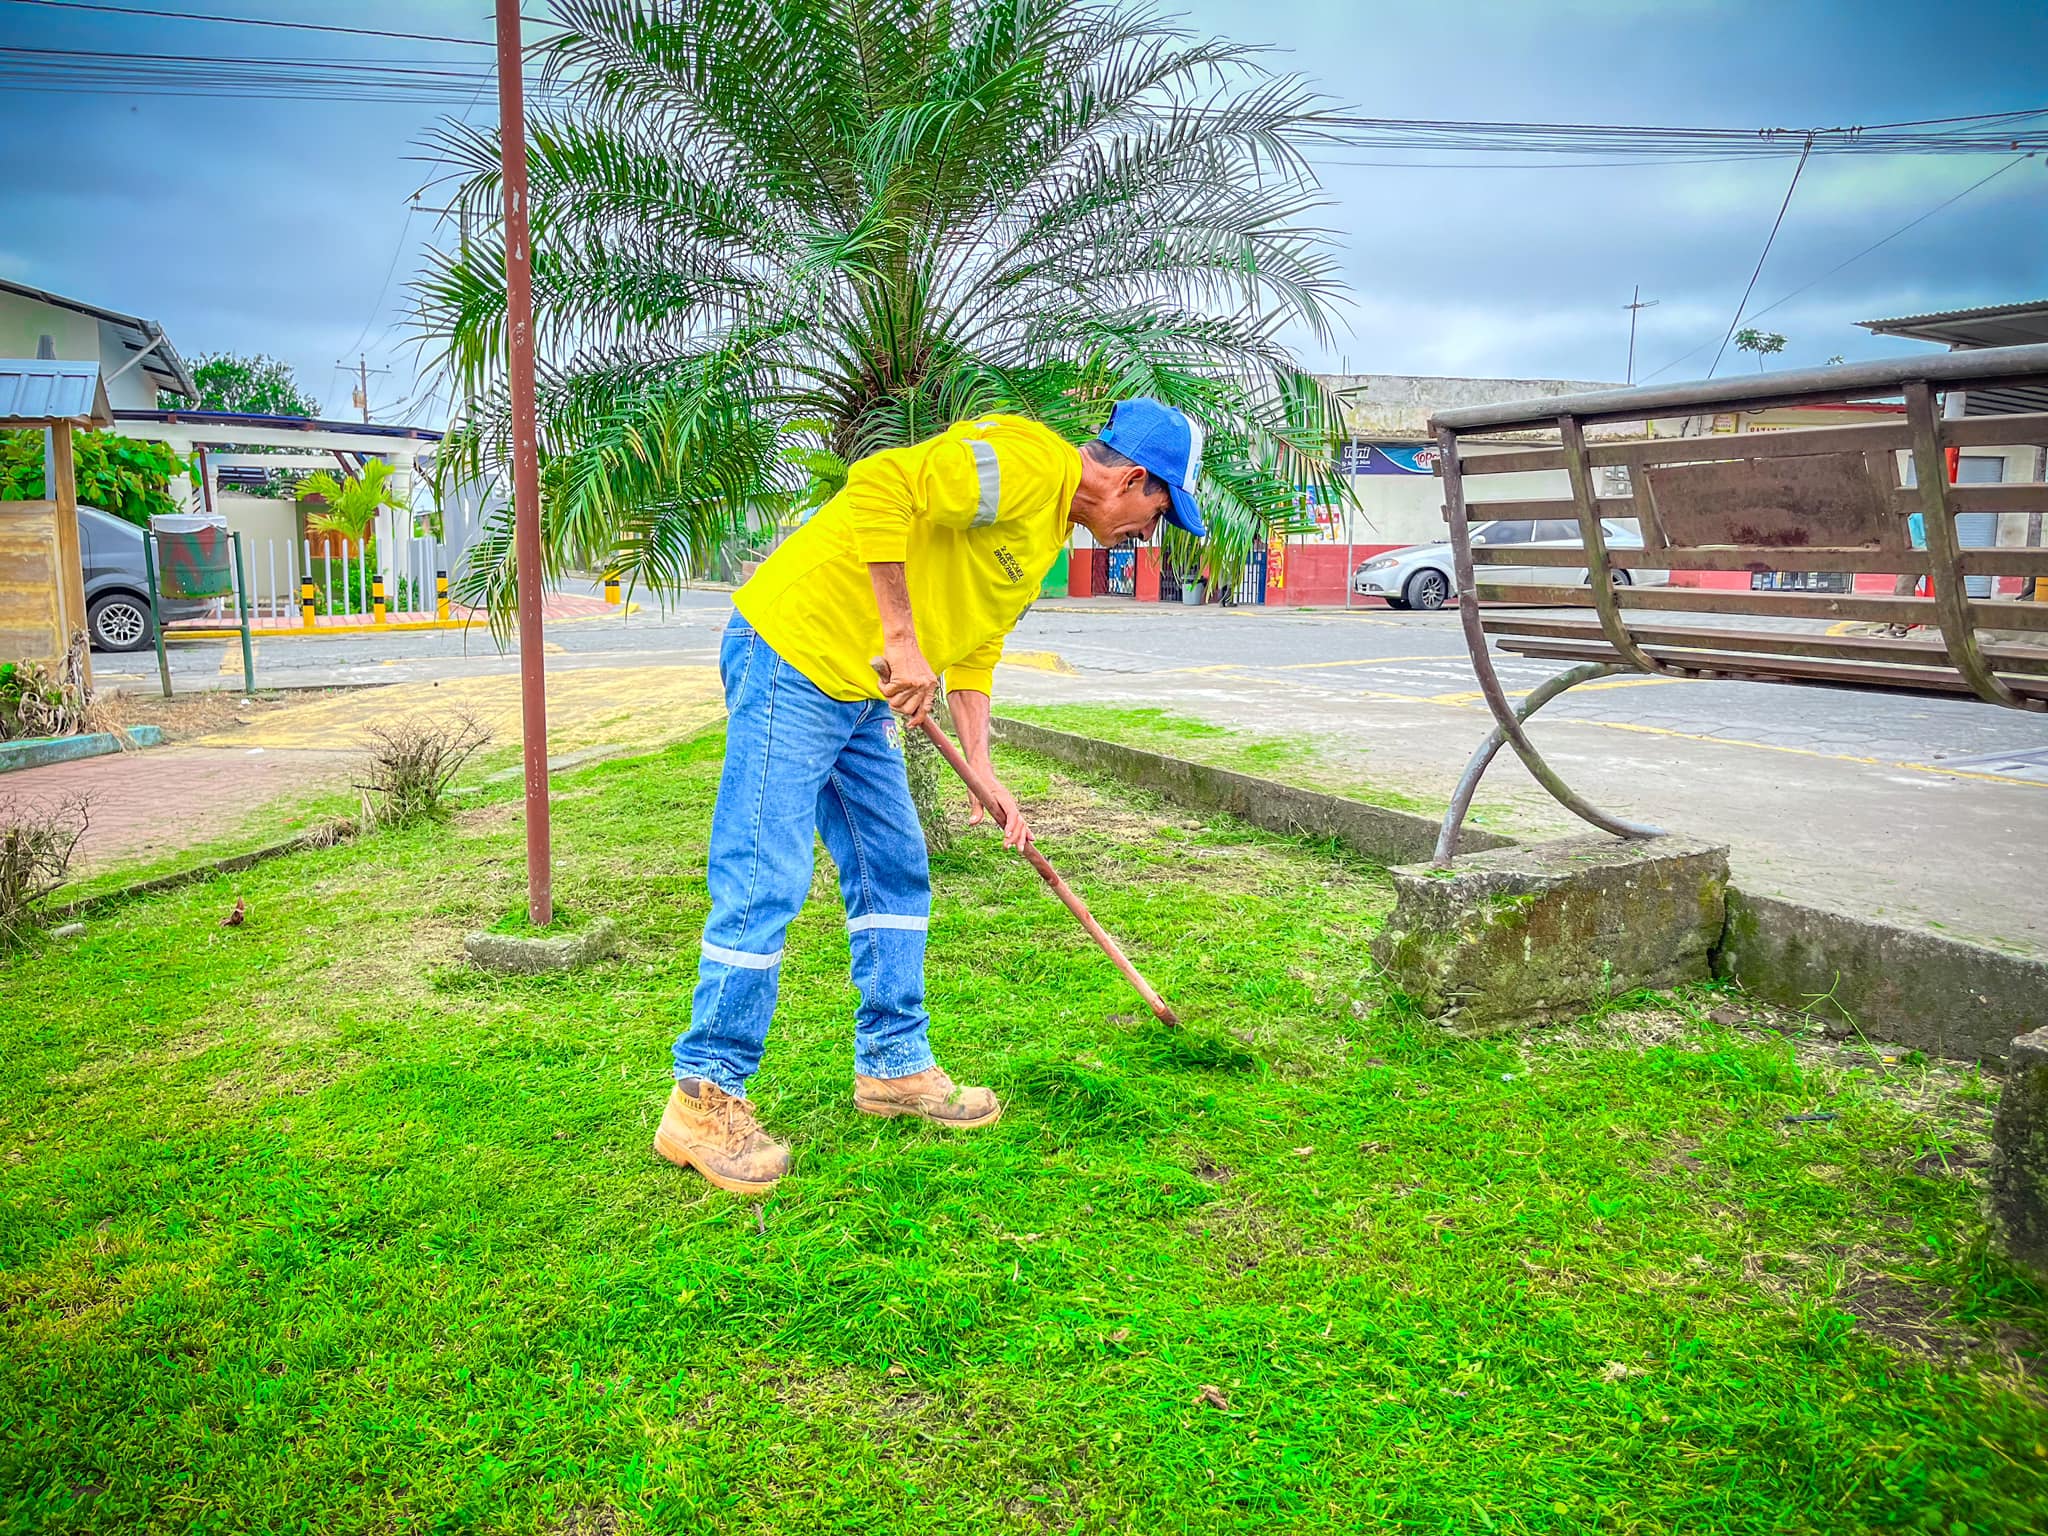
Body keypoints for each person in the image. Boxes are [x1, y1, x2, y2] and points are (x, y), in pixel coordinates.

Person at [655, 399, 1208, 1194]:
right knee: (764, 874)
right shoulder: (1026, 463)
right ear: (1131, 479)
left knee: (894, 867)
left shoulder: (1046, 531)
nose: (1149, 536)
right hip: (794, 651)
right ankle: (703, 1098)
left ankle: (894, 1065)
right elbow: (879, 484)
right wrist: (902, 641)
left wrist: (982, 766)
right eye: (1158, 514)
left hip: (859, 690)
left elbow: (978, 644)